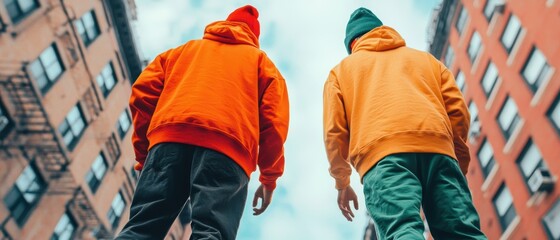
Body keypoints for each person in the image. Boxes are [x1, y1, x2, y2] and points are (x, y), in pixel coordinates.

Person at [116, 5, 289, 240]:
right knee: (211, 233)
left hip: (168, 141)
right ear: (253, 36)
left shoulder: (180, 52)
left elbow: (142, 95)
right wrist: (269, 178)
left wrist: (145, 153)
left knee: (141, 228)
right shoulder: (262, 64)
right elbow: (274, 124)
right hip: (228, 152)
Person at [323, 7, 487, 240]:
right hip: (439, 151)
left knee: (401, 230)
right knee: (462, 232)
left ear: (353, 43)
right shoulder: (426, 60)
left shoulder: (340, 72)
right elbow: (458, 111)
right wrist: (457, 159)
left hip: (383, 160)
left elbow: (334, 131)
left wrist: (342, 182)